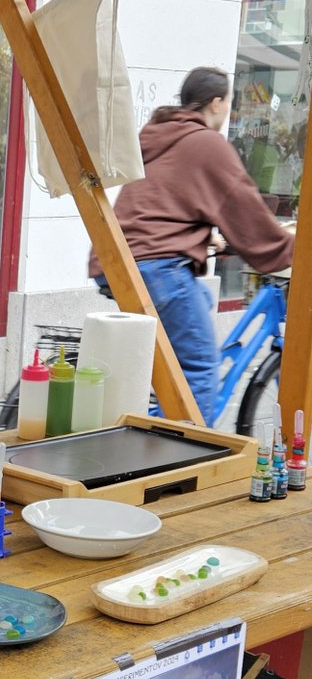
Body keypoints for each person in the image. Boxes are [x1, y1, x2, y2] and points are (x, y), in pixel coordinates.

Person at [90, 66, 295, 425]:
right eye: (229, 103)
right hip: (157, 267)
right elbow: (242, 205)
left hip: (118, 262)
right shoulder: (206, 143)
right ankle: (183, 464)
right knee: (199, 366)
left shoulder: (159, 133)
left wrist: (205, 237)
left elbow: (161, 202)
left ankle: (159, 429)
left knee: (198, 301)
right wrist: (290, 248)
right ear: (216, 103)